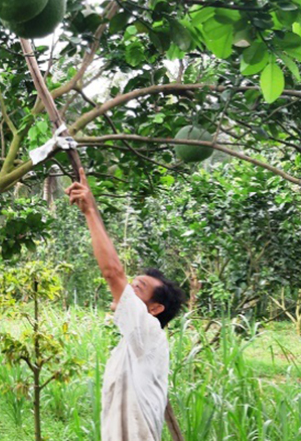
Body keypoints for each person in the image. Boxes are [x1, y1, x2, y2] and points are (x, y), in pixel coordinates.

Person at [66, 168, 185, 441]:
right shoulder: (134, 342)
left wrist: (90, 211)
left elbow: (113, 273)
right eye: (131, 284)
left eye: (138, 288)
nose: (127, 290)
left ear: (155, 309)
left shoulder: (148, 331)